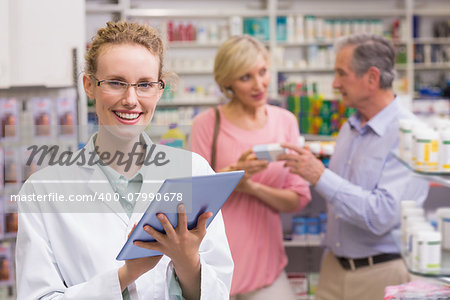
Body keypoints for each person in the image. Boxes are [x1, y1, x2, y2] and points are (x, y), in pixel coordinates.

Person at [16, 21, 233, 299]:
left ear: (159, 89)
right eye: (116, 83)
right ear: (89, 86)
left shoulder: (194, 171)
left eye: (144, 84)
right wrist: (126, 275)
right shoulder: (42, 191)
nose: (131, 99)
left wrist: (187, 260)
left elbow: (219, 290)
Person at [278, 33, 430, 300]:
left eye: (341, 74)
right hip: (334, 269)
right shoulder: (349, 128)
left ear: (372, 78)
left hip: (382, 275)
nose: (335, 84)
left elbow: (381, 216)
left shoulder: (412, 135)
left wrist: (319, 175)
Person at [191, 35, 311, 299]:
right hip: (213, 265)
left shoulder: (285, 122)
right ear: (227, 82)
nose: (259, 85)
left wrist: (250, 187)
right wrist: (233, 173)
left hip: (265, 266)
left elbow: (297, 199)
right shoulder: (207, 124)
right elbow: (191, 195)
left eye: (263, 72)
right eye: (246, 77)